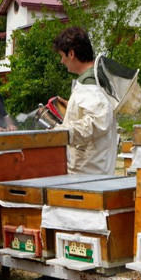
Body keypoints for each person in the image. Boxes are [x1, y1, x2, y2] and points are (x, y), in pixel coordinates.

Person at [53, 26, 118, 175]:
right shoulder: (95, 80)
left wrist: (60, 132)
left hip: (88, 172)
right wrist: (72, 108)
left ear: (71, 54)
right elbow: (99, 110)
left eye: (62, 56)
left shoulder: (90, 85)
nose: (61, 61)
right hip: (93, 169)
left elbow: (98, 121)